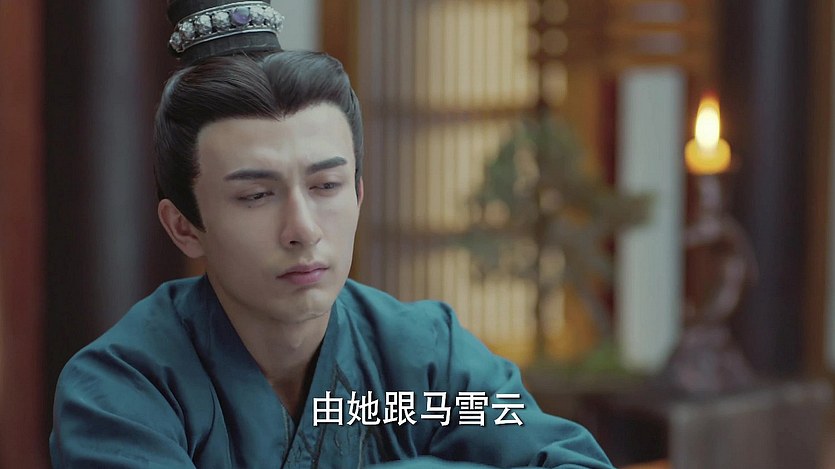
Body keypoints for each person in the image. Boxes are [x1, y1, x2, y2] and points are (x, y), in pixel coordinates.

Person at [50, 1, 615, 467]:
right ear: (184, 226)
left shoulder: (422, 362)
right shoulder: (124, 390)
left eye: (325, 186)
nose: (302, 229)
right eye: (256, 195)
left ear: (359, 195)